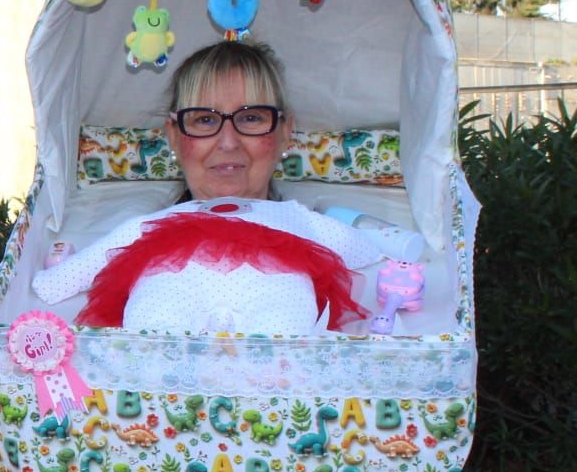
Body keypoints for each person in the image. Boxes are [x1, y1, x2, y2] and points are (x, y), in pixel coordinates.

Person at [33, 40, 390, 333]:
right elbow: (67, 279)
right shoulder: (148, 232)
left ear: (284, 132)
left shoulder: (300, 223)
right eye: (204, 120)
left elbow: (378, 253)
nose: (228, 142)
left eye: (251, 118)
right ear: (173, 135)